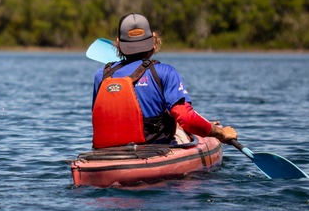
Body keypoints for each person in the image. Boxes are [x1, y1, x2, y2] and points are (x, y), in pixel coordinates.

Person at [91, 13, 237, 149]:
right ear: (153, 41)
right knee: (182, 129)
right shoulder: (165, 72)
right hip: (155, 150)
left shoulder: (102, 76)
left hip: (108, 152)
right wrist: (220, 133)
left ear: (118, 44)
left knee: (177, 124)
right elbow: (186, 118)